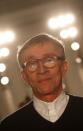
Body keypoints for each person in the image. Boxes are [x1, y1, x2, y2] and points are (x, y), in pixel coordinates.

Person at [0, 33, 83, 130]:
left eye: (49, 60)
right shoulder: (9, 126)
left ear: (64, 67)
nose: (42, 70)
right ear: (24, 76)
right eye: (32, 64)